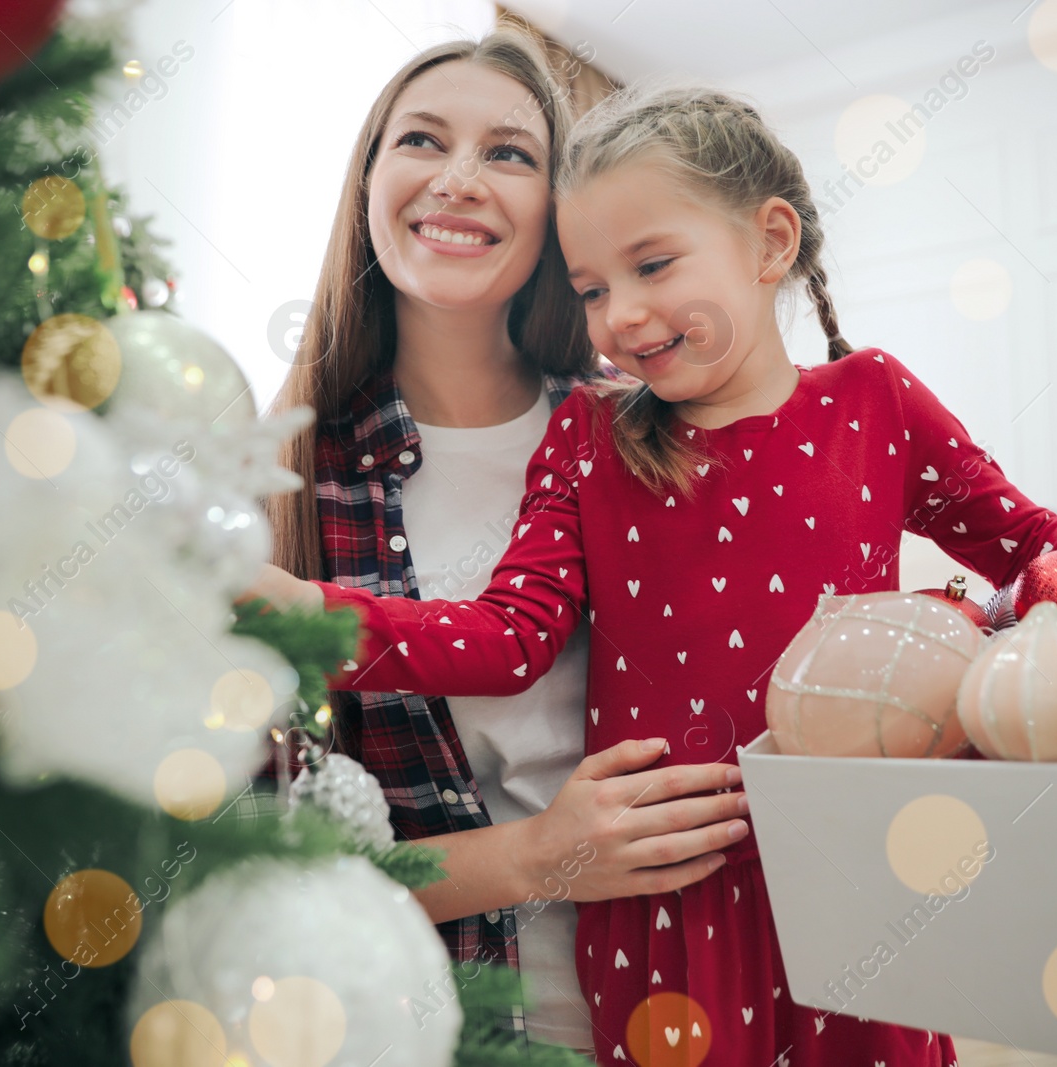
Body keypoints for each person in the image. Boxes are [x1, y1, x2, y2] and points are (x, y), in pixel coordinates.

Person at [248, 82, 1057, 1065]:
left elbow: (1033, 543)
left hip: (869, 878)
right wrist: (307, 615)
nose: (618, 314)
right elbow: (507, 636)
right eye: (591, 287)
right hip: (670, 897)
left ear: (769, 240)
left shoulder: (874, 402)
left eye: (653, 266)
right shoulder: (585, 436)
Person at [258, 29, 749, 1055]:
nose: (460, 180)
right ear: (367, 181)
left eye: (510, 153)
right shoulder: (276, 477)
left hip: (698, 997)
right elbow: (255, 863)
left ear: (558, 212)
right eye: (423, 140)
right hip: (425, 1024)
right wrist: (534, 855)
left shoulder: (649, 435)